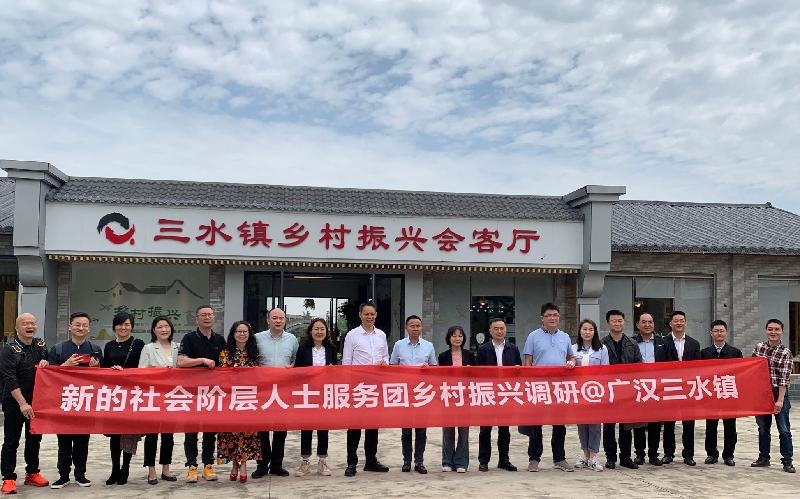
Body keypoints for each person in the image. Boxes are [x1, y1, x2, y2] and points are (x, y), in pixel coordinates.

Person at [48, 312, 103, 489]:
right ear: (70, 327)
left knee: (82, 440)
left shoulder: (95, 349)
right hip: (64, 401)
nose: (81, 328)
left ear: (89, 328)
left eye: (84, 325)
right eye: (77, 325)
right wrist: (66, 365)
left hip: (85, 401)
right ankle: (63, 476)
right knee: (63, 441)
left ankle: (80, 474)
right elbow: (48, 374)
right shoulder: (58, 348)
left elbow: (102, 378)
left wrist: (96, 367)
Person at [0, 313, 50, 495]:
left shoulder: (40, 345)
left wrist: (46, 362)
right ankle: (8, 478)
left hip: (37, 401)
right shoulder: (8, 350)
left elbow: (49, 369)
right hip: (14, 402)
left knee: (34, 439)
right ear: (17, 327)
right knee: (11, 440)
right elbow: (10, 379)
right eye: (25, 323)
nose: (30, 326)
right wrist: (22, 403)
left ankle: (32, 473)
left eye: (32, 323)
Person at [522, 303, 575, 472]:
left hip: (559, 388)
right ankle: (534, 459)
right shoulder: (533, 336)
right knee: (535, 424)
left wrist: (572, 362)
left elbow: (571, 357)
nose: (552, 318)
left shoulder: (565, 337)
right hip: (539, 387)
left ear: (559, 317)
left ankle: (559, 459)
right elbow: (528, 361)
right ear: (542, 318)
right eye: (549, 315)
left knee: (559, 425)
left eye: (555, 315)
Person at [177, 305, 226, 483]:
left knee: (210, 432)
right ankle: (191, 467)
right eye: (203, 315)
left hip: (213, 393)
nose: (207, 317)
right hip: (192, 393)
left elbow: (225, 364)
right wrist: (202, 361)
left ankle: (208, 465)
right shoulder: (189, 338)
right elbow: (181, 361)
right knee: (191, 432)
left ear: (214, 318)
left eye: (210, 315)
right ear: (197, 318)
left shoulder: (220, 339)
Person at [342, 302, 390, 477]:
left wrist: (385, 363)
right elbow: (346, 362)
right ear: (360, 315)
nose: (369, 317)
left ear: (376, 315)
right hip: (358, 387)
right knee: (354, 426)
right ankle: (351, 462)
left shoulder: (381, 335)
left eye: (372, 314)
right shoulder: (352, 335)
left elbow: (386, 357)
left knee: (373, 426)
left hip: (375, 387)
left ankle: (371, 461)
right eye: (366, 314)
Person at [252, 307, 298, 478]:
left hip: (283, 390)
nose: (278, 321)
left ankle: (277, 465)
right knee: (262, 429)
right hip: (262, 390)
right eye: (274, 318)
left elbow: (296, 361)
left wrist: (293, 367)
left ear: (285, 320)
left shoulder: (292, 339)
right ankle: (262, 465)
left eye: (281, 318)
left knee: (281, 429)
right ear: (268, 320)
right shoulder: (257, 338)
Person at [101, 312, 145, 486]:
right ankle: (114, 470)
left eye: (127, 324)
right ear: (114, 326)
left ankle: (125, 468)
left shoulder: (138, 344)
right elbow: (104, 369)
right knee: (114, 434)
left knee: (128, 433)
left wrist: (126, 372)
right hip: (114, 394)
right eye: (120, 324)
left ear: (132, 326)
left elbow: (143, 368)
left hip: (132, 394)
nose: (123, 327)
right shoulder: (109, 346)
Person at [390, 315, 438, 474]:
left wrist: (428, 369)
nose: (415, 329)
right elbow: (392, 366)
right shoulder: (398, 345)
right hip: (405, 393)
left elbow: (434, 368)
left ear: (421, 327)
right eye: (412, 326)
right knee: (406, 430)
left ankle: (419, 461)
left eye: (418, 326)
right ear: (406, 328)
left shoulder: (429, 346)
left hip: (422, 393)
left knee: (421, 430)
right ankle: (406, 461)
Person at [216, 321, 262, 483]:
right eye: (239, 331)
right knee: (231, 434)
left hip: (248, 400)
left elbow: (260, 377)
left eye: (245, 332)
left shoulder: (254, 354)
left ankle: (243, 464)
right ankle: (234, 464)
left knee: (246, 433)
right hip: (230, 400)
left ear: (249, 334)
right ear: (233, 334)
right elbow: (221, 377)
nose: (242, 334)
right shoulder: (225, 353)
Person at [293, 318, 338, 477]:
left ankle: (322, 461)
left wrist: (333, 370)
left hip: (324, 393)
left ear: (326, 332)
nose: (319, 332)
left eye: (322, 329)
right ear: (310, 331)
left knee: (323, 427)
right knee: (306, 427)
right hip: (307, 393)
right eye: (316, 329)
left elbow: (336, 370)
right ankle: (305, 461)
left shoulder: (331, 348)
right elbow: (297, 370)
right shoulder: (303, 348)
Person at [477, 317, 522, 472]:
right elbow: (477, 373)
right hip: (488, 393)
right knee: (485, 429)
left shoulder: (513, 348)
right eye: (496, 328)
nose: (499, 331)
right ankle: (483, 461)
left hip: (505, 394)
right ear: (490, 331)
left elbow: (519, 370)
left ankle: (504, 460)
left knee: (504, 429)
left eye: (502, 328)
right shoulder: (483, 349)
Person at [138, 315, 179, 485]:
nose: (164, 329)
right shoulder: (148, 348)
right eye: (160, 327)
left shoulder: (178, 347)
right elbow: (140, 371)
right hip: (154, 397)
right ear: (154, 330)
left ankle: (166, 469)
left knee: (168, 436)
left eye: (166, 326)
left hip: (172, 397)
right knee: (152, 436)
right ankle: (151, 470)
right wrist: (157, 370)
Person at [751, 318, 795, 473]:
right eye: (770, 329)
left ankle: (787, 461)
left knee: (784, 429)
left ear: (782, 332)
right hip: (762, 394)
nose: (773, 332)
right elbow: (752, 370)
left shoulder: (785, 352)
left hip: (778, 393)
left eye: (777, 329)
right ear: (766, 331)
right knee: (763, 428)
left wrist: (780, 400)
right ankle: (764, 457)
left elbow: (784, 379)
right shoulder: (759, 348)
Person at [601, 309, 643, 470]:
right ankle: (610, 458)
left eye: (620, 320)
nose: (617, 323)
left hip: (627, 390)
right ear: (608, 323)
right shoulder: (602, 343)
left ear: (624, 322)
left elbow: (639, 365)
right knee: (609, 426)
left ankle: (625, 457)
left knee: (626, 426)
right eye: (614, 321)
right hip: (608, 390)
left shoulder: (632, 343)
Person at [700, 319, 742, 466]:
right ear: (711, 333)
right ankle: (711, 454)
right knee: (711, 426)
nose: (719, 333)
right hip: (711, 395)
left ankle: (728, 455)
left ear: (726, 333)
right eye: (716, 331)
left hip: (728, 394)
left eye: (722, 331)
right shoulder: (704, 353)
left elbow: (740, 374)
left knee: (730, 426)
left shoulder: (735, 352)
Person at [662, 310, 701, 466]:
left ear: (685, 323)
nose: (679, 323)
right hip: (669, 387)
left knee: (689, 423)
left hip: (688, 388)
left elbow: (697, 368)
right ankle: (668, 453)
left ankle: (688, 455)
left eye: (681, 320)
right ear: (670, 323)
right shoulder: (662, 342)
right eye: (676, 321)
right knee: (669, 423)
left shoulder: (694, 344)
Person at [571, 319, 609, 471]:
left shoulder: (602, 349)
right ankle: (585, 455)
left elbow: (606, 371)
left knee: (594, 425)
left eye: (590, 329)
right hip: (578, 392)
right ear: (580, 331)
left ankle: (593, 456)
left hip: (595, 392)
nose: (587, 332)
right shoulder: (573, 349)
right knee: (582, 424)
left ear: (595, 332)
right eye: (584, 329)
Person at [632, 312, 668, 466]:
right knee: (638, 423)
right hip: (638, 387)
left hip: (657, 387)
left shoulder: (663, 342)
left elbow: (669, 364)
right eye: (644, 322)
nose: (647, 325)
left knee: (655, 423)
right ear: (638, 325)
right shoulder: (631, 342)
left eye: (650, 322)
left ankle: (653, 454)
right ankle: (639, 454)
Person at [438, 325, 475, 473]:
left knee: (463, 431)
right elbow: (438, 377)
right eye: (454, 336)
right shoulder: (443, 356)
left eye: (460, 336)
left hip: (465, 396)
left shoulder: (470, 355)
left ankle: (461, 462)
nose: (457, 338)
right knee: (448, 430)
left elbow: (477, 375)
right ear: (449, 338)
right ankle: (447, 461)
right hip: (448, 396)